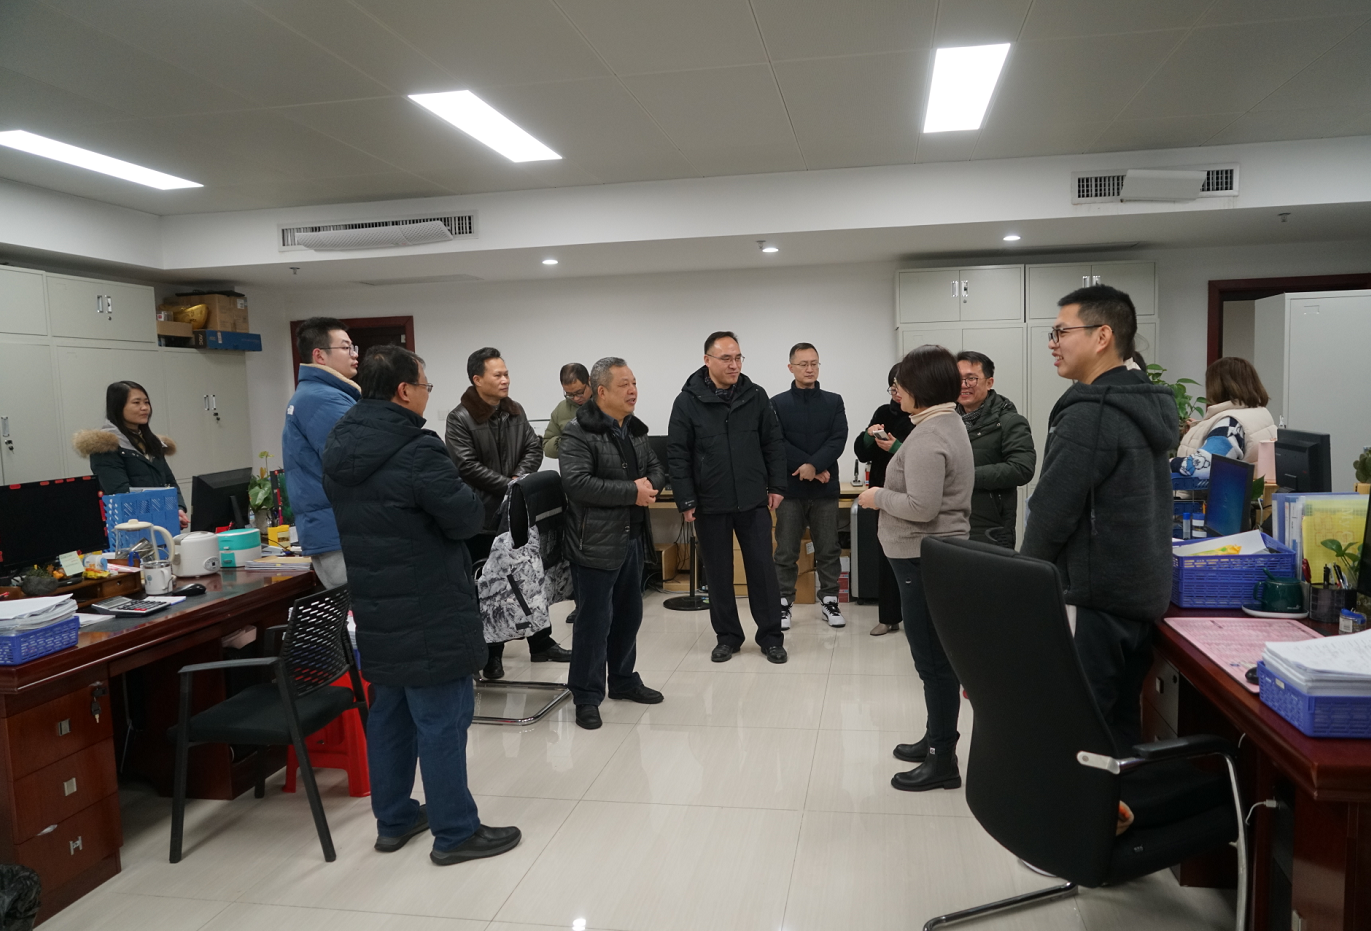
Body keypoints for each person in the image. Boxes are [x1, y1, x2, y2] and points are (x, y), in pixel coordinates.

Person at [322, 344, 520, 866]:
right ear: (404, 390)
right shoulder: (417, 448)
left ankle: (394, 820)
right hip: (430, 605)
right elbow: (464, 519)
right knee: (442, 720)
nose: (428, 394)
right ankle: (455, 833)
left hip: (376, 605)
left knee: (389, 716)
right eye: (426, 385)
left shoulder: (338, 444)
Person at [1022, 285, 1178, 753]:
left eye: (1061, 332)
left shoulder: (1093, 412)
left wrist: (1023, 594)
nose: (1052, 343)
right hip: (1135, 601)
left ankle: (1083, 806)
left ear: (1102, 336)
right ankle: (1118, 800)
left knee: (1075, 737)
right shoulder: (1145, 402)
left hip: (1094, 605)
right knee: (1117, 732)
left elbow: (1051, 514)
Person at [856, 345, 973, 792]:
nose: (896, 390)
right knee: (935, 660)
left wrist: (876, 497)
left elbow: (922, 507)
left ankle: (942, 759)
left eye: (901, 383)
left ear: (920, 387)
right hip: (929, 556)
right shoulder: (943, 423)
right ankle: (936, 738)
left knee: (933, 663)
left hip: (923, 557)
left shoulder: (929, 435)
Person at [445, 347, 570, 678]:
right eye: (497, 375)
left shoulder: (515, 411)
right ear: (477, 379)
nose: (505, 380)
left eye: (506, 373)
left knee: (528, 577)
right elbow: (466, 465)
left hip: (518, 513)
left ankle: (541, 642)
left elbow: (533, 447)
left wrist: (518, 481)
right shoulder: (460, 418)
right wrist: (509, 486)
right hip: (482, 517)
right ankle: (491, 655)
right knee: (492, 587)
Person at [668, 331, 789, 664]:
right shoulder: (687, 401)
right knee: (718, 575)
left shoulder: (756, 395)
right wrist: (686, 500)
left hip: (753, 501)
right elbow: (678, 454)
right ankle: (728, 637)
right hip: (710, 503)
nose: (734, 365)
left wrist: (777, 486)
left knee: (763, 572)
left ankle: (771, 638)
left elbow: (773, 443)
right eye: (726, 359)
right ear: (707, 361)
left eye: (738, 358)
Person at [560, 357, 667, 729]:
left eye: (634, 383)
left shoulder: (633, 429)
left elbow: (656, 467)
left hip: (632, 538)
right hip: (594, 543)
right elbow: (577, 484)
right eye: (625, 385)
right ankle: (586, 696)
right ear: (602, 391)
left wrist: (649, 486)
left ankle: (622, 680)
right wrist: (631, 492)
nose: (633, 390)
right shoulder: (577, 432)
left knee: (629, 616)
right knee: (593, 623)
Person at [771, 342, 848, 629]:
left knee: (828, 548)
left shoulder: (833, 401)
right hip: (790, 490)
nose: (809, 369)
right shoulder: (777, 403)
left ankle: (830, 600)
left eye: (814, 363)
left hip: (825, 491)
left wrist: (814, 466)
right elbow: (776, 442)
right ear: (790, 367)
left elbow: (838, 439)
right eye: (803, 364)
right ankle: (782, 604)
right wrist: (810, 469)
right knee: (786, 550)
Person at [282, 316, 361, 589]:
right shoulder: (322, 399)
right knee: (361, 608)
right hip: (338, 530)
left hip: (333, 528)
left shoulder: (321, 393)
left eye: (353, 347)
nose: (354, 354)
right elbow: (356, 460)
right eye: (346, 347)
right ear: (319, 356)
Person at [74, 380, 188, 528]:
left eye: (146, 402)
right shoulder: (107, 447)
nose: (144, 408)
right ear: (118, 406)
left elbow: (170, 483)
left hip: (161, 523)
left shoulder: (152, 442)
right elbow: (121, 494)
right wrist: (165, 512)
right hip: (130, 528)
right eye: (136, 403)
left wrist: (178, 509)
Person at [853, 366, 914, 636]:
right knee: (885, 555)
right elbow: (861, 452)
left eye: (901, 388)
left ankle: (915, 618)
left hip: (911, 494)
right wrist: (869, 436)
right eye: (893, 388)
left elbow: (922, 456)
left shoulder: (922, 416)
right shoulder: (883, 412)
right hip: (882, 492)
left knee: (912, 558)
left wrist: (897, 448)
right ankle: (888, 617)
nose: (896, 394)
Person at [955, 350, 1036, 548]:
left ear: (989, 382)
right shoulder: (947, 421)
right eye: (958, 379)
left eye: (971, 378)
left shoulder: (1009, 421)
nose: (964, 385)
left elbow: (1022, 468)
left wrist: (967, 476)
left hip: (990, 530)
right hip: (949, 524)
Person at [1173, 356, 1277, 476]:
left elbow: (1202, 467)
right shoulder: (1260, 414)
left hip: (1217, 489)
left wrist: (1169, 463)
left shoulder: (1229, 423)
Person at [542, 363, 591, 458]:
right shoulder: (561, 409)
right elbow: (546, 446)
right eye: (569, 394)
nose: (576, 398)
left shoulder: (607, 403)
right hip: (573, 465)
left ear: (589, 381)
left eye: (579, 392)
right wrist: (567, 442)